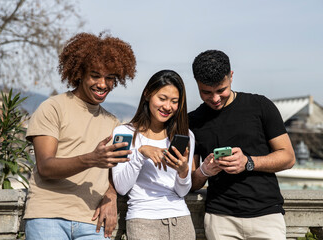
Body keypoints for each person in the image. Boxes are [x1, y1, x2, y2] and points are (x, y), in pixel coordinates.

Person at [24, 32, 137, 240]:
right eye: (95, 75)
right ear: (79, 74)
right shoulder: (52, 108)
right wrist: (92, 159)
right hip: (48, 216)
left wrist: (111, 195)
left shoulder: (113, 123)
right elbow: (46, 167)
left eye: (110, 78)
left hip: (92, 221)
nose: (103, 84)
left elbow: (115, 172)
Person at [189, 50, 296, 240]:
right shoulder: (193, 121)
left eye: (221, 90)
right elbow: (191, 182)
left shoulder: (260, 105)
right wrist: (205, 170)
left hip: (267, 215)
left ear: (231, 76)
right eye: (206, 92)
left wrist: (248, 162)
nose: (215, 99)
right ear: (196, 83)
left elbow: (288, 157)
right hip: (220, 219)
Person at [112, 70, 196, 240]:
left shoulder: (186, 135)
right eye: (162, 98)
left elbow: (182, 192)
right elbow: (121, 187)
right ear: (148, 94)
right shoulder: (123, 133)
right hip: (143, 222)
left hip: (182, 222)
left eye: (174, 101)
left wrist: (183, 171)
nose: (168, 107)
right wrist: (141, 153)